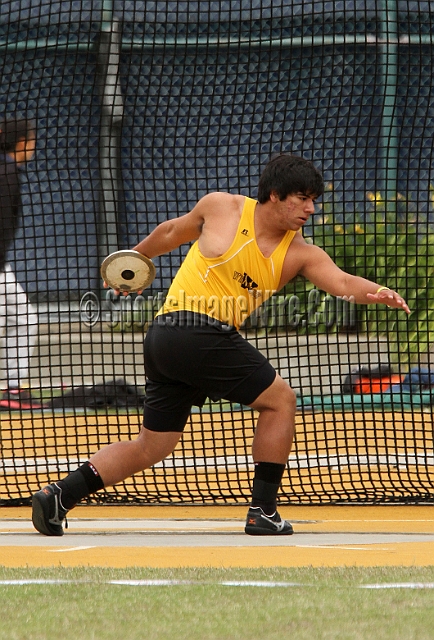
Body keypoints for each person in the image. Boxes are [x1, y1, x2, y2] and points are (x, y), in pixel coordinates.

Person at [31, 154, 410, 536]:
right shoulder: (222, 207)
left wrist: (378, 291)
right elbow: (169, 232)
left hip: (167, 340)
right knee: (281, 401)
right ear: (275, 195)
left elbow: (342, 283)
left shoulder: (300, 253)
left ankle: (60, 495)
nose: (310, 208)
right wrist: (136, 259)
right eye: (302, 198)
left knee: (153, 446)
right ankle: (262, 512)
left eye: (314, 200)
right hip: (190, 332)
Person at [0, 116, 39, 410]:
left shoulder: (8, 170)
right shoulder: (7, 172)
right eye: (32, 140)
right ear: (22, 142)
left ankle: (13, 389)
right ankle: (13, 390)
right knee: (22, 317)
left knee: (22, 316)